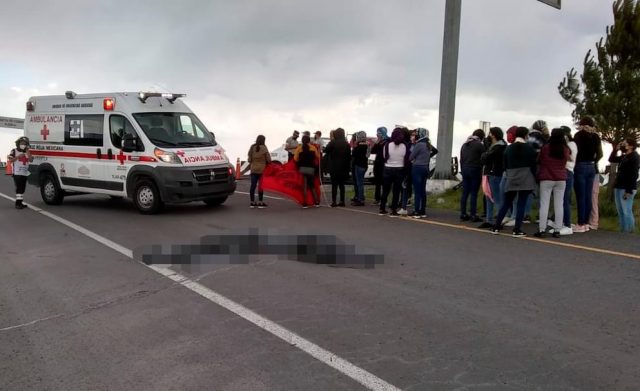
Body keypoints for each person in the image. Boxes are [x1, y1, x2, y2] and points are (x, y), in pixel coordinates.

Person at [492, 127, 537, 236]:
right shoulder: (529, 148)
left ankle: (496, 226)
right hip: (526, 177)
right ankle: (517, 229)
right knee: (521, 203)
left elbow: (505, 164)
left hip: (511, 177)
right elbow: (533, 165)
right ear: (526, 136)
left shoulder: (509, 148)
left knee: (506, 202)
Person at [535, 128, 571, 238]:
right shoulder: (565, 149)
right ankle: (557, 230)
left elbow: (540, 160)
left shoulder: (546, 148)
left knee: (544, 204)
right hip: (561, 179)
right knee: (559, 204)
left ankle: (542, 229)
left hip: (547, 178)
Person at [572, 116, 603, 233]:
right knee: (588, 196)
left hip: (580, 165)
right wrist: (594, 160)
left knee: (581, 195)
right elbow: (600, 153)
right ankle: (586, 223)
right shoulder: (596, 137)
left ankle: (580, 223)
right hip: (592, 167)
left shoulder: (578, 136)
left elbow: (575, 152)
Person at [608, 138, 639, 233]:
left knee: (627, 211)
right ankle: (623, 231)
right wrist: (615, 150)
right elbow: (611, 159)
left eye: (625, 144)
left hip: (627, 188)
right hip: (618, 186)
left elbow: (634, 175)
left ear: (631, 146)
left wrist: (628, 190)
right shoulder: (624, 156)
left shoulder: (634, 157)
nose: (623, 145)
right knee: (621, 211)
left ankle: (629, 232)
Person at [478, 127, 507, 229]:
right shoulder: (495, 146)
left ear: (494, 135)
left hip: (494, 174)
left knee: (496, 198)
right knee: (488, 197)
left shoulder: (499, 147)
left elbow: (485, 158)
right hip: (490, 174)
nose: (488, 136)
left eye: (490, 134)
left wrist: (485, 154)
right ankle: (489, 220)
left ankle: (499, 221)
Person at [379, 127, 409, 216]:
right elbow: (406, 158)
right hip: (399, 169)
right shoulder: (405, 145)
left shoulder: (387, 145)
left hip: (388, 168)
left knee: (385, 190)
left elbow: (384, 156)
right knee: (396, 191)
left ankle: (382, 208)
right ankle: (393, 210)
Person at [460, 129, 486, 222]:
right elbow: (484, 157)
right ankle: (473, 215)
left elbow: (461, 159)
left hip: (465, 169)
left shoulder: (464, 144)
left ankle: (463, 213)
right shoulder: (479, 145)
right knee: (474, 193)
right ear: (481, 137)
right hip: (475, 169)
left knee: (465, 192)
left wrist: (462, 170)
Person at [324, 128, 351, 207]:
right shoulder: (347, 144)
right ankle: (342, 201)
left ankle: (334, 201)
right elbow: (349, 156)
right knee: (342, 185)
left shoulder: (333, 142)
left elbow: (326, 150)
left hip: (334, 167)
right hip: (344, 167)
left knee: (334, 185)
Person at [559, 126, 578, 234]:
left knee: (565, 199)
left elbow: (570, 158)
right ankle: (562, 222)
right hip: (564, 171)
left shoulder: (571, 145)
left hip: (568, 171)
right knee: (561, 199)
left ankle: (567, 224)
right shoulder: (569, 144)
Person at [294, 135, 321, 208]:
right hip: (311, 168)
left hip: (302, 168)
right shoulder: (313, 147)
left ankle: (305, 203)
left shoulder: (299, 148)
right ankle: (317, 202)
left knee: (304, 186)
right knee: (312, 185)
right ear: (309, 140)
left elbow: (295, 159)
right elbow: (318, 157)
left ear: (302, 141)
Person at [409, 128, 431, 218]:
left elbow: (411, 157)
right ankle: (423, 210)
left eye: (416, 134)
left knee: (417, 191)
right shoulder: (428, 144)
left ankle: (416, 211)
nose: (415, 136)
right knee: (422, 190)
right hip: (425, 168)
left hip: (417, 167)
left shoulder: (419, 144)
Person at [7, 137, 33, 209]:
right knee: (19, 188)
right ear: (18, 143)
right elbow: (11, 160)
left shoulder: (27, 151)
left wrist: (28, 153)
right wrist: (18, 156)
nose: (23, 145)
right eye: (22, 143)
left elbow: (31, 160)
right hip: (17, 173)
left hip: (24, 173)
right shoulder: (14, 151)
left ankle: (20, 202)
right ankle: (17, 204)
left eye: (25, 144)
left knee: (23, 188)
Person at [247, 135, 271, 209]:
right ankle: (260, 202)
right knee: (260, 186)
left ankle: (252, 202)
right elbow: (269, 160)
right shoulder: (264, 148)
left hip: (253, 169)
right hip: (262, 170)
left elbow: (249, 160)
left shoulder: (252, 147)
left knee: (253, 186)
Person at [371, 127, 389, 205]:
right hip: (378, 164)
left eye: (378, 133)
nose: (377, 135)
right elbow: (373, 151)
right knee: (377, 182)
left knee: (385, 183)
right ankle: (377, 199)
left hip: (385, 164)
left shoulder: (388, 141)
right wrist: (376, 143)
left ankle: (384, 200)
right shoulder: (379, 142)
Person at [399, 128, 414, 216]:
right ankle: (404, 203)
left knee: (405, 185)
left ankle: (404, 204)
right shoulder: (409, 144)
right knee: (406, 186)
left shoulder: (407, 144)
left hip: (407, 167)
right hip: (409, 166)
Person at [351, 131, 368, 206]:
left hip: (359, 165)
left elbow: (354, 154)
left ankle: (360, 199)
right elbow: (367, 155)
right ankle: (360, 197)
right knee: (360, 182)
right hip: (364, 165)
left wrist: (355, 145)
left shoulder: (359, 146)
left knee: (359, 183)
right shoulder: (367, 145)